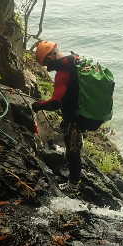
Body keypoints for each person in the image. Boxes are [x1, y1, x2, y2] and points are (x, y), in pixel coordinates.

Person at [31, 41, 83, 192]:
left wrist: (39, 105)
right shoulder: (74, 59)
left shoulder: (63, 72)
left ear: (52, 55)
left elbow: (56, 103)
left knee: (73, 151)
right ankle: (75, 179)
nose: (47, 67)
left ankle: (73, 186)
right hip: (80, 111)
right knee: (74, 146)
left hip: (75, 117)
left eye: (46, 62)